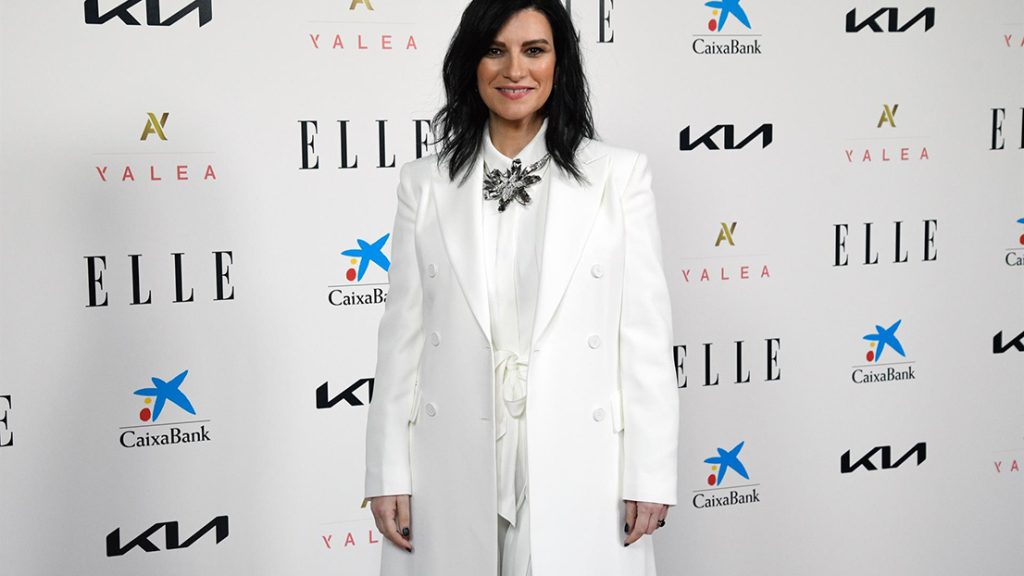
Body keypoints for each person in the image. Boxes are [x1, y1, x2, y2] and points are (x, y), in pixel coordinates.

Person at [364, 1, 678, 575]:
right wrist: (388, 472)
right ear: (471, 63)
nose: (515, 70)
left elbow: (644, 337)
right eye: (495, 50)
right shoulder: (424, 183)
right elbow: (402, 339)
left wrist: (650, 473)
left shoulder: (619, 176)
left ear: (560, 63)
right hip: (452, 457)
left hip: (583, 461)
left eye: (534, 51)